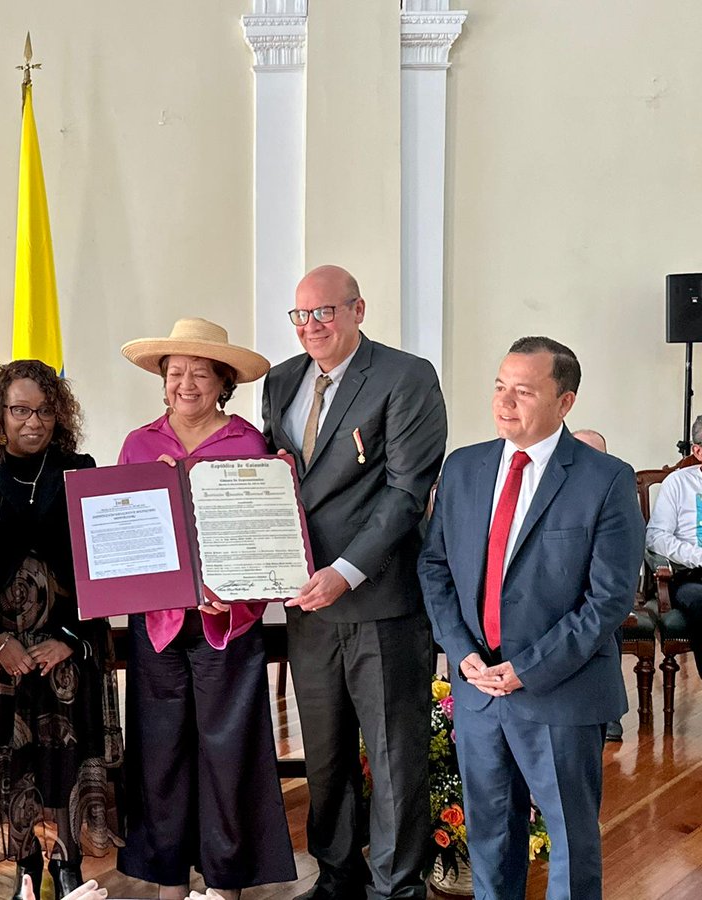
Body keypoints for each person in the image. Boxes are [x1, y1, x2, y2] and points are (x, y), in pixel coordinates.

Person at [419, 337, 643, 900]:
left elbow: (609, 600)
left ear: (565, 403)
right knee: (491, 836)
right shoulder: (464, 468)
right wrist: (458, 647)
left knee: (570, 841)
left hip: (560, 692)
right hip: (477, 690)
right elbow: (435, 566)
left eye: (523, 391)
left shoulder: (606, 479)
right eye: (499, 386)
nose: (504, 402)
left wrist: (527, 668)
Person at [261, 265, 446, 900]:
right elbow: (273, 484)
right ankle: (337, 877)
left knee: (395, 760)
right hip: (307, 606)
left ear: (358, 310)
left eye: (325, 313)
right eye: (300, 315)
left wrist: (343, 573)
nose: (311, 326)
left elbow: (405, 493)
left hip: (380, 601)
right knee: (325, 757)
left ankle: (396, 888)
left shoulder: (405, 376)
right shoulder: (282, 380)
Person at [115, 318, 295, 900]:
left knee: (230, 753)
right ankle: (169, 876)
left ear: (223, 382)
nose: (185, 383)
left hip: (229, 622)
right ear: (162, 381)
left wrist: (242, 593)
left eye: (200, 372)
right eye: (175, 372)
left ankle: (226, 880)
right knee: (160, 754)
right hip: (158, 627)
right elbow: (118, 541)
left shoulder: (248, 442)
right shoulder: (139, 445)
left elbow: (267, 539)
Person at [0, 360, 124, 900]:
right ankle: (27, 866)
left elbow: (99, 562)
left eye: (45, 410)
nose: (33, 421)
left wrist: (71, 641)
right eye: (20, 410)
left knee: (66, 757)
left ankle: (70, 861)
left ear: (60, 413)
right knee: (15, 761)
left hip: (67, 651)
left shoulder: (80, 469)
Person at [571, 428, 626, 743]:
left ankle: (609, 712)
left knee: (607, 614)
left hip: (599, 593)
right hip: (552, 592)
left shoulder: (612, 494)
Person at [646, 415, 702, 681]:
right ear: (698, 451)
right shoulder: (678, 483)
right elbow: (656, 537)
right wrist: (697, 556)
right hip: (692, 577)